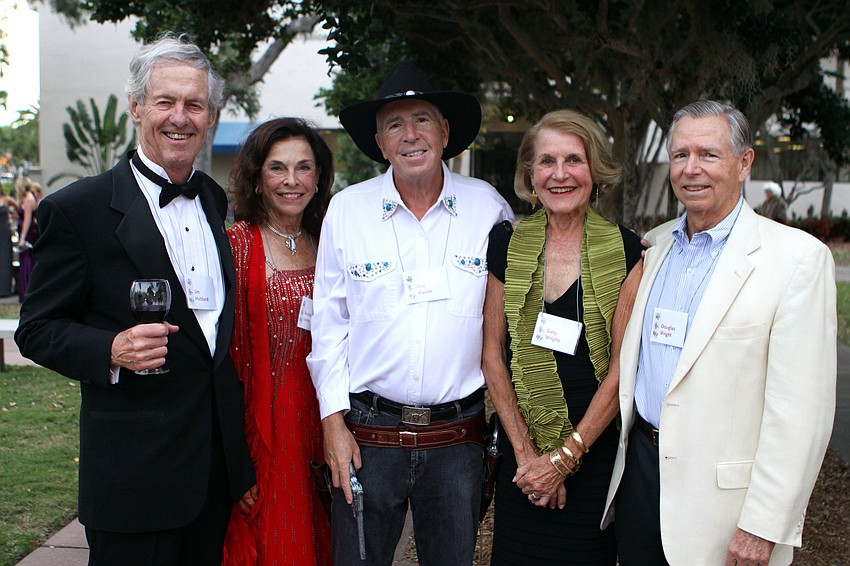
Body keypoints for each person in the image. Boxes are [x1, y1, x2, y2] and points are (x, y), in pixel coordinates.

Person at [15, 33, 256, 566]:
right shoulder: (77, 209)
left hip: (212, 476)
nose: (180, 117)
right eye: (165, 101)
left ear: (211, 116)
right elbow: (36, 328)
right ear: (136, 106)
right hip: (133, 480)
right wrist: (110, 349)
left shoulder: (213, 199)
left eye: (194, 104)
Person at [603, 100, 836, 566]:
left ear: (744, 163)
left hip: (724, 509)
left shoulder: (797, 260)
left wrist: (764, 524)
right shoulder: (656, 245)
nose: (691, 169)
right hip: (639, 480)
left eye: (708, 154)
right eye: (680, 155)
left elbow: (800, 413)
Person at [307, 60, 514, 565]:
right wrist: (333, 425)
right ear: (380, 143)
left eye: (422, 119)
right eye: (395, 125)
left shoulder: (488, 208)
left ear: (444, 132)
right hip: (369, 435)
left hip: (457, 440)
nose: (411, 135)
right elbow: (329, 327)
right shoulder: (347, 211)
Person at [481, 110, 644, 565]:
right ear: (530, 174)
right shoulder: (505, 243)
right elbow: (491, 354)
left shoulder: (627, 250)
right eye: (547, 161)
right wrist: (528, 457)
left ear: (595, 171)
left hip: (594, 455)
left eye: (574, 159)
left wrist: (564, 460)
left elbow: (622, 368)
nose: (560, 174)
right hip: (522, 458)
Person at [222, 117, 334, 565]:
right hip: (267, 429)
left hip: (330, 416)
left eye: (303, 167)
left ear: (318, 177)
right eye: (277, 168)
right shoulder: (235, 246)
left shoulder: (330, 239)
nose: (292, 180)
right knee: (280, 540)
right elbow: (221, 361)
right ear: (256, 178)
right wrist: (236, 459)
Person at [16, 178, 40, 301]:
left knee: (28, 261)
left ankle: (28, 290)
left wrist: (22, 238)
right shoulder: (26, 198)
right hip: (26, 232)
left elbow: (27, 220)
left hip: (29, 234)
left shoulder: (29, 199)